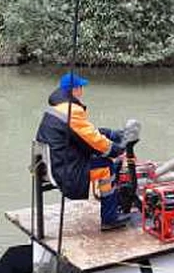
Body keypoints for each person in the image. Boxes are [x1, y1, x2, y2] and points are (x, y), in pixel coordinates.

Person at [35, 73, 138, 230]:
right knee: (107, 167)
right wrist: (118, 149)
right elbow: (95, 142)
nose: (82, 91)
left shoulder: (57, 108)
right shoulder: (72, 110)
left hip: (55, 163)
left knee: (101, 155)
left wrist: (113, 134)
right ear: (75, 89)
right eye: (81, 87)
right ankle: (110, 219)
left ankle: (112, 206)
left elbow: (85, 133)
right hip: (66, 172)